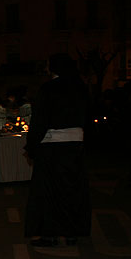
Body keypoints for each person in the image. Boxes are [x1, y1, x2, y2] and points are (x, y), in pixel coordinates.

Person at [24, 53, 91, 247]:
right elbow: (88, 117)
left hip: (51, 146)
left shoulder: (49, 89)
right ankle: (71, 233)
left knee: (49, 191)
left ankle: (49, 234)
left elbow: (40, 121)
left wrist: (31, 147)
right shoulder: (81, 88)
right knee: (72, 189)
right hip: (75, 145)